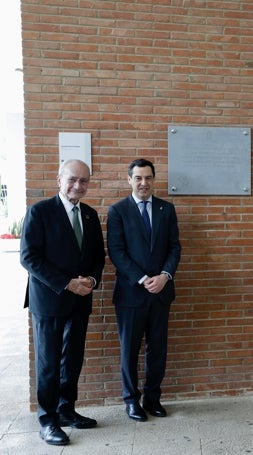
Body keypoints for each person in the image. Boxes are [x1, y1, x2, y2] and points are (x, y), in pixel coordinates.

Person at [20, 159, 106, 446]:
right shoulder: (40, 212)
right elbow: (29, 258)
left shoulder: (91, 215)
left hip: (81, 300)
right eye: (72, 179)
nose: (77, 186)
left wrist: (92, 282)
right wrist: (66, 283)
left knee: (73, 360)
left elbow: (97, 258)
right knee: (49, 364)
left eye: (83, 181)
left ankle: (66, 410)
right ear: (59, 179)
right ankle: (47, 420)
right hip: (49, 300)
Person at [107, 159, 181, 422]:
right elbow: (116, 252)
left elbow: (174, 247)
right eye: (138, 178)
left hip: (161, 292)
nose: (143, 183)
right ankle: (131, 401)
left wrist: (164, 276)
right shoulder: (118, 211)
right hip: (131, 294)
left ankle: (153, 398)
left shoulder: (166, 209)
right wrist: (142, 278)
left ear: (153, 179)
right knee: (130, 349)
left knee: (157, 348)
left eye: (148, 178)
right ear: (129, 180)